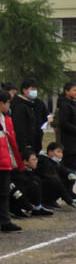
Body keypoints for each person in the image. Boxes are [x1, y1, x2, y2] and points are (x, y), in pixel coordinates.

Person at [0, 89, 24, 231]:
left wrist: (16, 161)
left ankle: (5, 221)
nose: (9, 105)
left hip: (5, 163)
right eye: (8, 102)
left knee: (4, 193)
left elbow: (12, 144)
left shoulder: (7, 120)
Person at [56, 82, 76, 174]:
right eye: (74, 90)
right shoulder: (64, 105)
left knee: (73, 164)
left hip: (75, 140)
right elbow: (64, 123)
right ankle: (67, 186)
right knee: (69, 165)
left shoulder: (73, 104)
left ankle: (70, 185)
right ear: (66, 91)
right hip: (69, 141)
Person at [36, 142, 76, 208]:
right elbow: (56, 181)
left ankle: (52, 200)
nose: (60, 154)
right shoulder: (44, 162)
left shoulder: (56, 161)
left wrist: (71, 174)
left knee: (70, 178)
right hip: (43, 186)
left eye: (61, 152)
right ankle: (46, 201)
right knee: (55, 181)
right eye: (58, 152)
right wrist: (69, 201)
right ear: (50, 152)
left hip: (53, 182)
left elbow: (64, 169)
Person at [9, 79, 36, 154]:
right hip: (24, 146)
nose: (34, 91)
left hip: (30, 144)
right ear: (24, 90)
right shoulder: (20, 106)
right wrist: (24, 147)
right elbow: (20, 129)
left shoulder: (29, 104)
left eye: (35, 89)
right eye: (32, 89)